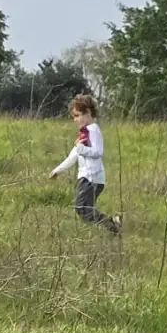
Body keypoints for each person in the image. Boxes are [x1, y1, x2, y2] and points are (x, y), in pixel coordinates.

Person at [49, 94, 121, 235]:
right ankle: (113, 223)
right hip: (87, 178)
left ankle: (113, 225)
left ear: (88, 112)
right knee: (84, 208)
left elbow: (98, 151)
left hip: (91, 178)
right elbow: (73, 156)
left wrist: (81, 148)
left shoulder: (93, 130)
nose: (75, 120)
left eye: (77, 115)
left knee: (81, 208)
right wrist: (58, 170)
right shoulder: (85, 133)